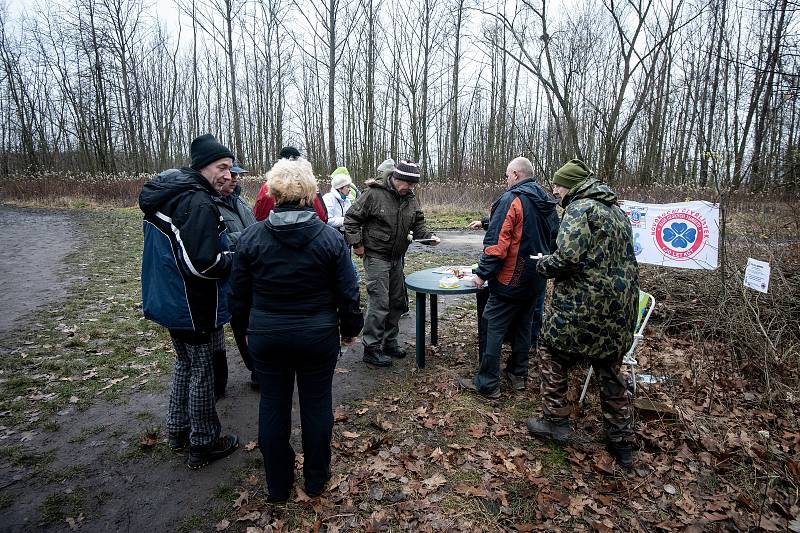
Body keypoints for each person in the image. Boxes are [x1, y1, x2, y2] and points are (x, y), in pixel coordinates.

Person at [227, 157, 363, 502]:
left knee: (273, 405)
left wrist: (245, 335)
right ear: (310, 193)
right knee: (317, 405)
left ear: (273, 193)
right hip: (316, 337)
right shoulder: (330, 239)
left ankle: (278, 485)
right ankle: (316, 479)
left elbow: (237, 297)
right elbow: (348, 292)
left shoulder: (250, 238)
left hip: (268, 337)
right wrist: (350, 329)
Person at [526, 159, 639, 468]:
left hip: (583, 306)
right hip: (620, 308)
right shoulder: (616, 211)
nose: (555, 192)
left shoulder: (580, 209)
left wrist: (541, 264)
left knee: (551, 354)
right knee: (611, 369)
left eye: (558, 186)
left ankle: (556, 423)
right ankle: (621, 441)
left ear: (571, 185)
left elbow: (568, 259)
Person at [138, 133, 239, 469]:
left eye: (230, 167)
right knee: (202, 371)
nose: (228, 174)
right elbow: (204, 264)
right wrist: (234, 258)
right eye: (221, 167)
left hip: (170, 299)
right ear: (202, 167)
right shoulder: (196, 201)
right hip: (192, 303)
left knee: (186, 365)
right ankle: (204, 442)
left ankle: (178, 431)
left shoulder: (171, 194)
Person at [459, 157, 559, 399]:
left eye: (506, 175)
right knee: (524, 325)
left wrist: (482, 274)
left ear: (515, 174)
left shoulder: (511, 199)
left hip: (510, 278)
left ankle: (487, 383)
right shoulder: (546, 202)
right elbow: (554, 239)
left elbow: (497, 244)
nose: (505, 180)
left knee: (492, 323)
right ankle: (518, 374)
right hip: (536, 278)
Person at [344, 160, 440, 367]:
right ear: (396, 179)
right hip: (376, 256)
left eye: (413, 185)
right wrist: (357, 244)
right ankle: (371, 347)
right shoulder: (373, 194)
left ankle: (389, 342)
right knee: (379, 303)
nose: (410, 188)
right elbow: (351, 219)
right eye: (408, 184)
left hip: (397, 258)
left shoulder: (410, 198)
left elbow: (418, 222)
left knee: (397, 301)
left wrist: (429, 236)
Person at [215, 162, 258, 391]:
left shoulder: (239, 200)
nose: (234, 179)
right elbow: (216, 240)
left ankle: (262, 366)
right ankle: (256, 370)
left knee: (255, 320)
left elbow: (252, 227)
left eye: (237, 175)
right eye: (230, 175)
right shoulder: (211, 204)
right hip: (231, 275)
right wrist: (251, 237)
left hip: (252, 270)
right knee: (240, 323)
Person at [253, 146, 328, 223]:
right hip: (308, 230)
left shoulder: (270, 186)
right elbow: (323, 217)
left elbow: (259, 216)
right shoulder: (309, 186)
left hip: (276, 231)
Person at [322, 167, 353, 232]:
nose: (350, 189)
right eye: (347, 187)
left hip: (344, 234)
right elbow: (327, 220)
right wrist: (346, 220)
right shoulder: (328, 199)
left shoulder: (347, 200)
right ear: (339, 188)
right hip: (331, 235)